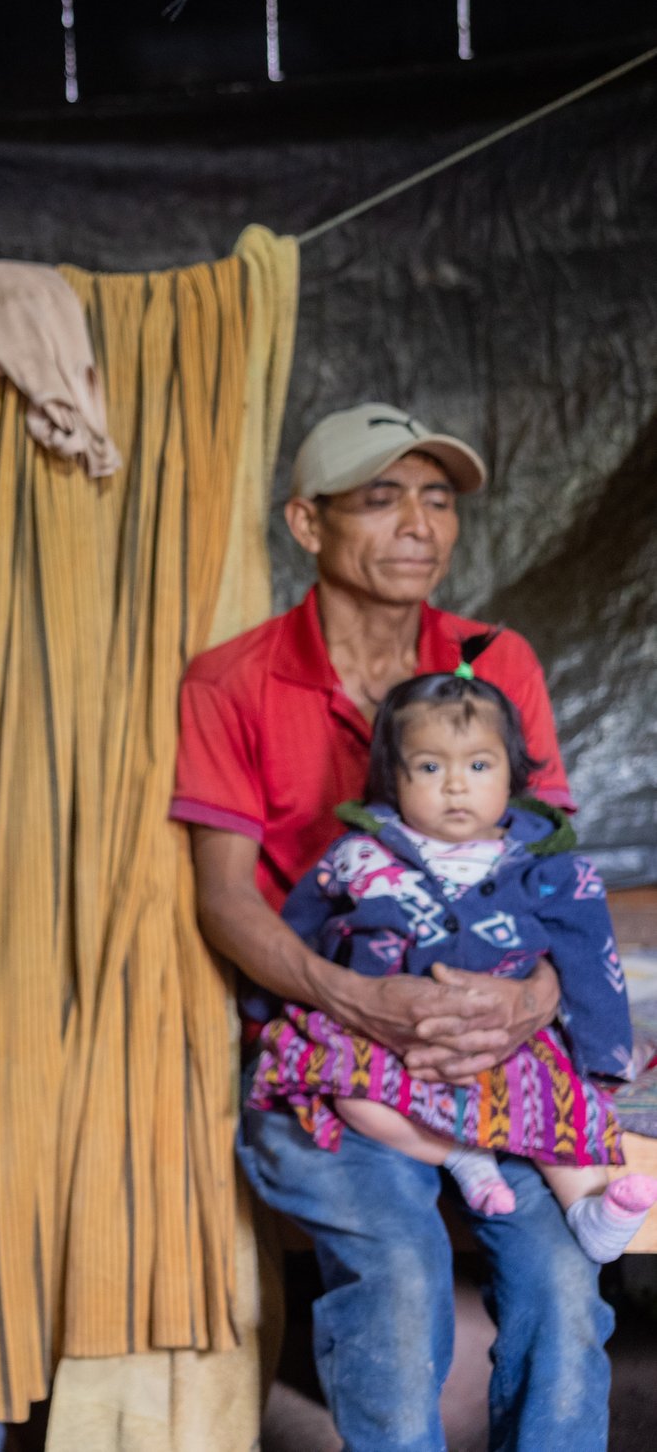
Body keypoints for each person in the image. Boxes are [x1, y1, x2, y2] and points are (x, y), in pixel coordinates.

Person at [174, 402, 615, 1451]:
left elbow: (558, 879)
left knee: (561, 1282)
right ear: (305, 523)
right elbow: (223, 894)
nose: (418, 523)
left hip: (493, 1050)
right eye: (380, 498)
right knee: (401, 1277)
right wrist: (358, 998)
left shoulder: (492, 663)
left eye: (436, 498)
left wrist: (526, 1003)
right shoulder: (231, 680)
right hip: (333, 1058)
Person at [244, 656, 651, 1260]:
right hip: (379, 1032)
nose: (455, 785)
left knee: (561, 1110)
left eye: (478, 766)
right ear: (394, 779)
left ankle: (590, 1210)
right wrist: (263, 1008)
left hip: (507, 1038)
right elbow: (302, 923)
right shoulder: (358, 855)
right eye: (430, 767)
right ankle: (463, 1156)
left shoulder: (548, 868)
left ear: (512, 775)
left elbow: (591, 959)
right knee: (353, 1095)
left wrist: (604, 1056)